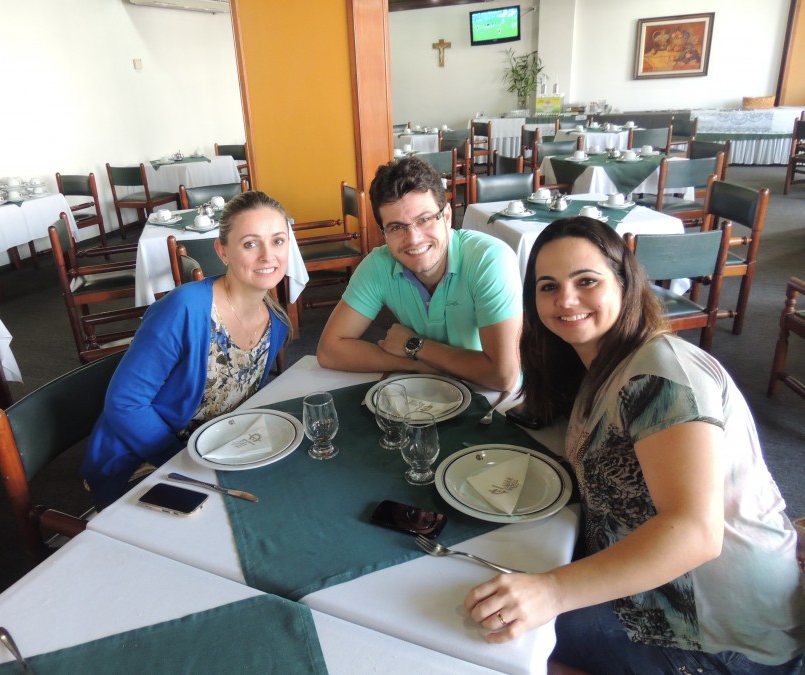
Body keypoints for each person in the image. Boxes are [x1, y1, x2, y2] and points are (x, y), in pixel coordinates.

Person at [464, 217, 804, 673]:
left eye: (586, 281)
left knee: (494, 634)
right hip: (667, 590)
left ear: (624, 283)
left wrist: (552, 592)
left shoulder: (661, 374)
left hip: (721, 636)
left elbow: (695, 533)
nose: (565, 299)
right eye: (548, 287)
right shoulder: (603, 365)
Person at [82, 191, 291, 509]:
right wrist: (186, 462)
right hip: (144, 459)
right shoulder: (185, 309)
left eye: (278, 241)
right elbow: (126, 403)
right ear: (222, 251)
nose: (268, 256)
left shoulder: (276, 322)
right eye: (250, 244)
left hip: (215, 451)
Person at [316, 156, 522, 392]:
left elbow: (503, 376)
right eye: (396, 227)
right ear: (384, 233)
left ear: (446, 216)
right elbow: (329, 350)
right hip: (424, 392)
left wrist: (415, 345)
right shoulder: (378, 265)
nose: (413, 239)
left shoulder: (489, 259)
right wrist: (413, 363)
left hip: (490, 397)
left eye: (424, 220)